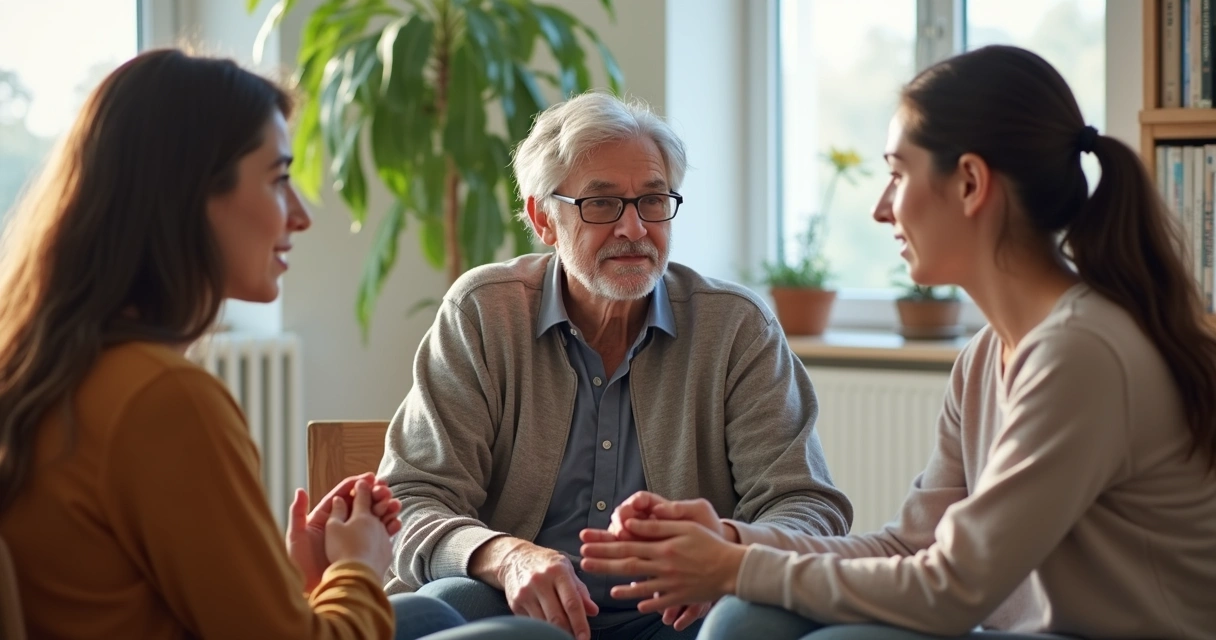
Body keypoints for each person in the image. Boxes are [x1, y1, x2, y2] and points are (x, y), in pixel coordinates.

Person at [576, 45, 1216, 639]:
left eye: (897, 174)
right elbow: (911, 549)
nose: (883, 209)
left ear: (970, 183)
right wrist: (735, 541)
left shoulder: (1080, 354)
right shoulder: (986, 358)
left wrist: (730, 569)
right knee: (749, 619)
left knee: (747, 614)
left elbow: (952, 586)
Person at [0, 48, 569, 640]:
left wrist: (300, 580)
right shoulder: (162, 398)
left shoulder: (56, 366)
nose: (299, 214)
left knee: (432, 610)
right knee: (531, 637)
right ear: (189, 198)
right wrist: (357, 567)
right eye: (277, 180)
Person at [377, 91, 853, 640]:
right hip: (524, 616)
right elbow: (411, 500)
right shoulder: (485, 312)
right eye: (601, 204)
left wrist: (725, 552)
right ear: (543, 219)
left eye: (652, 200)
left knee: (753, 618)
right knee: (450, 602)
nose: (634, 229)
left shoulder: (735, 326)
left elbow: (807, 504)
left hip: (681, 622)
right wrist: (505, 557)